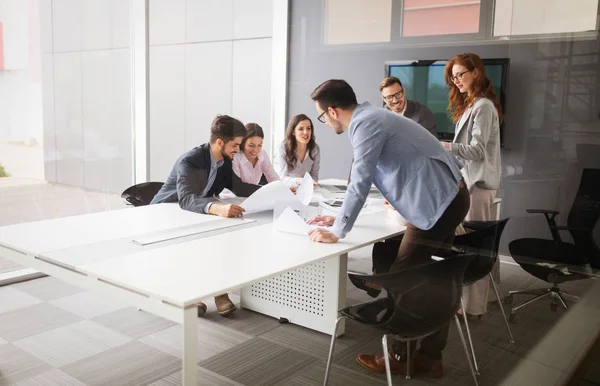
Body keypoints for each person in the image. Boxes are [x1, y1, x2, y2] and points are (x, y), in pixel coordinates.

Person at [306, 79, 470, 378]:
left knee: (402, 277)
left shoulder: (365, 124)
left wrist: (340, 229)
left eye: (322, 117)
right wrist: (340, 214)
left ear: (332, 110)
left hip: (439, 204)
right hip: (450, 195)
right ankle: (430, 357)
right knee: (437, 278)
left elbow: (361, 178)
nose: (325, 123)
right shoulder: (375, 117)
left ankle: (398, 355)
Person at [150, 115, 261, 318]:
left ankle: (217, 290)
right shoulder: (190, 160)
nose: (238, 150)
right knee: (200, 240)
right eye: (235, 145)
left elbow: (240, 187)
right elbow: (186, 198)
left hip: (193, 212)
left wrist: (274, 190)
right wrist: (216, 208)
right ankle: (194, 293)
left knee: (221, 236)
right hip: (166, 213)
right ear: (220, 142)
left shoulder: (225, 161)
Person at [440, 53, 503, 318]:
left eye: (460, 75)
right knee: (475, 245)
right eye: (453, 78)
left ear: (476, 72)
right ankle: (478, 301)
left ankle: (473, 308)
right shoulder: (472, 104)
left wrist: (445, 146)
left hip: (479, 184)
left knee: (475, 247)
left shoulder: (483, 106)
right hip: (471, 183)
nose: (456, 82)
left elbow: (476, 150)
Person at [274, 114, 320, 187]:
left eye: (308, 128)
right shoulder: (282, 148)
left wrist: (310, 184)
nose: (306, 132)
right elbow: (281, 178)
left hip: (306, 190)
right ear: (293, 132)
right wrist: (299, 181)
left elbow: (314, 175)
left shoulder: (314, 149)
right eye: (301, 129)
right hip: (286, 190)